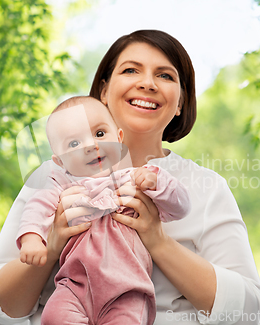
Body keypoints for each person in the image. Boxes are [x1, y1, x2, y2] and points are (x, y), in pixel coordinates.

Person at [0, 29, 260, 325]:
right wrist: (52, 246)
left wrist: (158, 241)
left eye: (165, 76)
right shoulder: (52, 177)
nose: (147, 83)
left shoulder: (205, 187)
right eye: (131, 70)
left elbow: (246, 313)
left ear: (180, 102)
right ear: (103, 90)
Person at [16, 96, 190, 324]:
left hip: (127, 289)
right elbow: (37, 208)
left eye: (99, 134)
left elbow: (180, 208)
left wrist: (157, 183)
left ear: (118, 138)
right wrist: (31, 239)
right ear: (60, 162)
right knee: (53, 316)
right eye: (74, 144)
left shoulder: (135, 178)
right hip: (73, 287)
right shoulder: (62, 187)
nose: (91, 146)